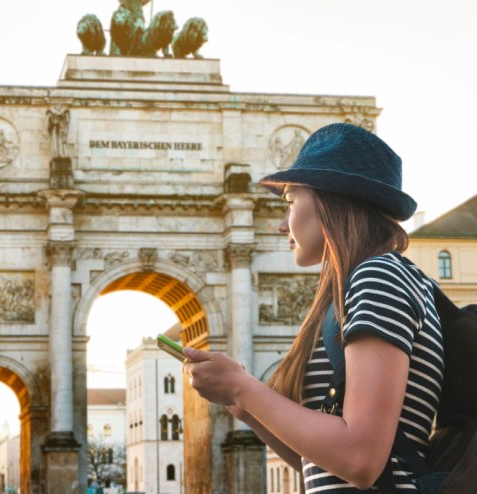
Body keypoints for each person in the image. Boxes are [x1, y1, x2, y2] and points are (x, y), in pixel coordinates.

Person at [183, 123, 443, 492]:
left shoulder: (379, 276)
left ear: (329, 201)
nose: (280, 224)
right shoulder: (357, 287)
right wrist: (248, 408)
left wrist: (244, 388)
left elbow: (360, 459)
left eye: (290, 202)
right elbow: (320, 464)